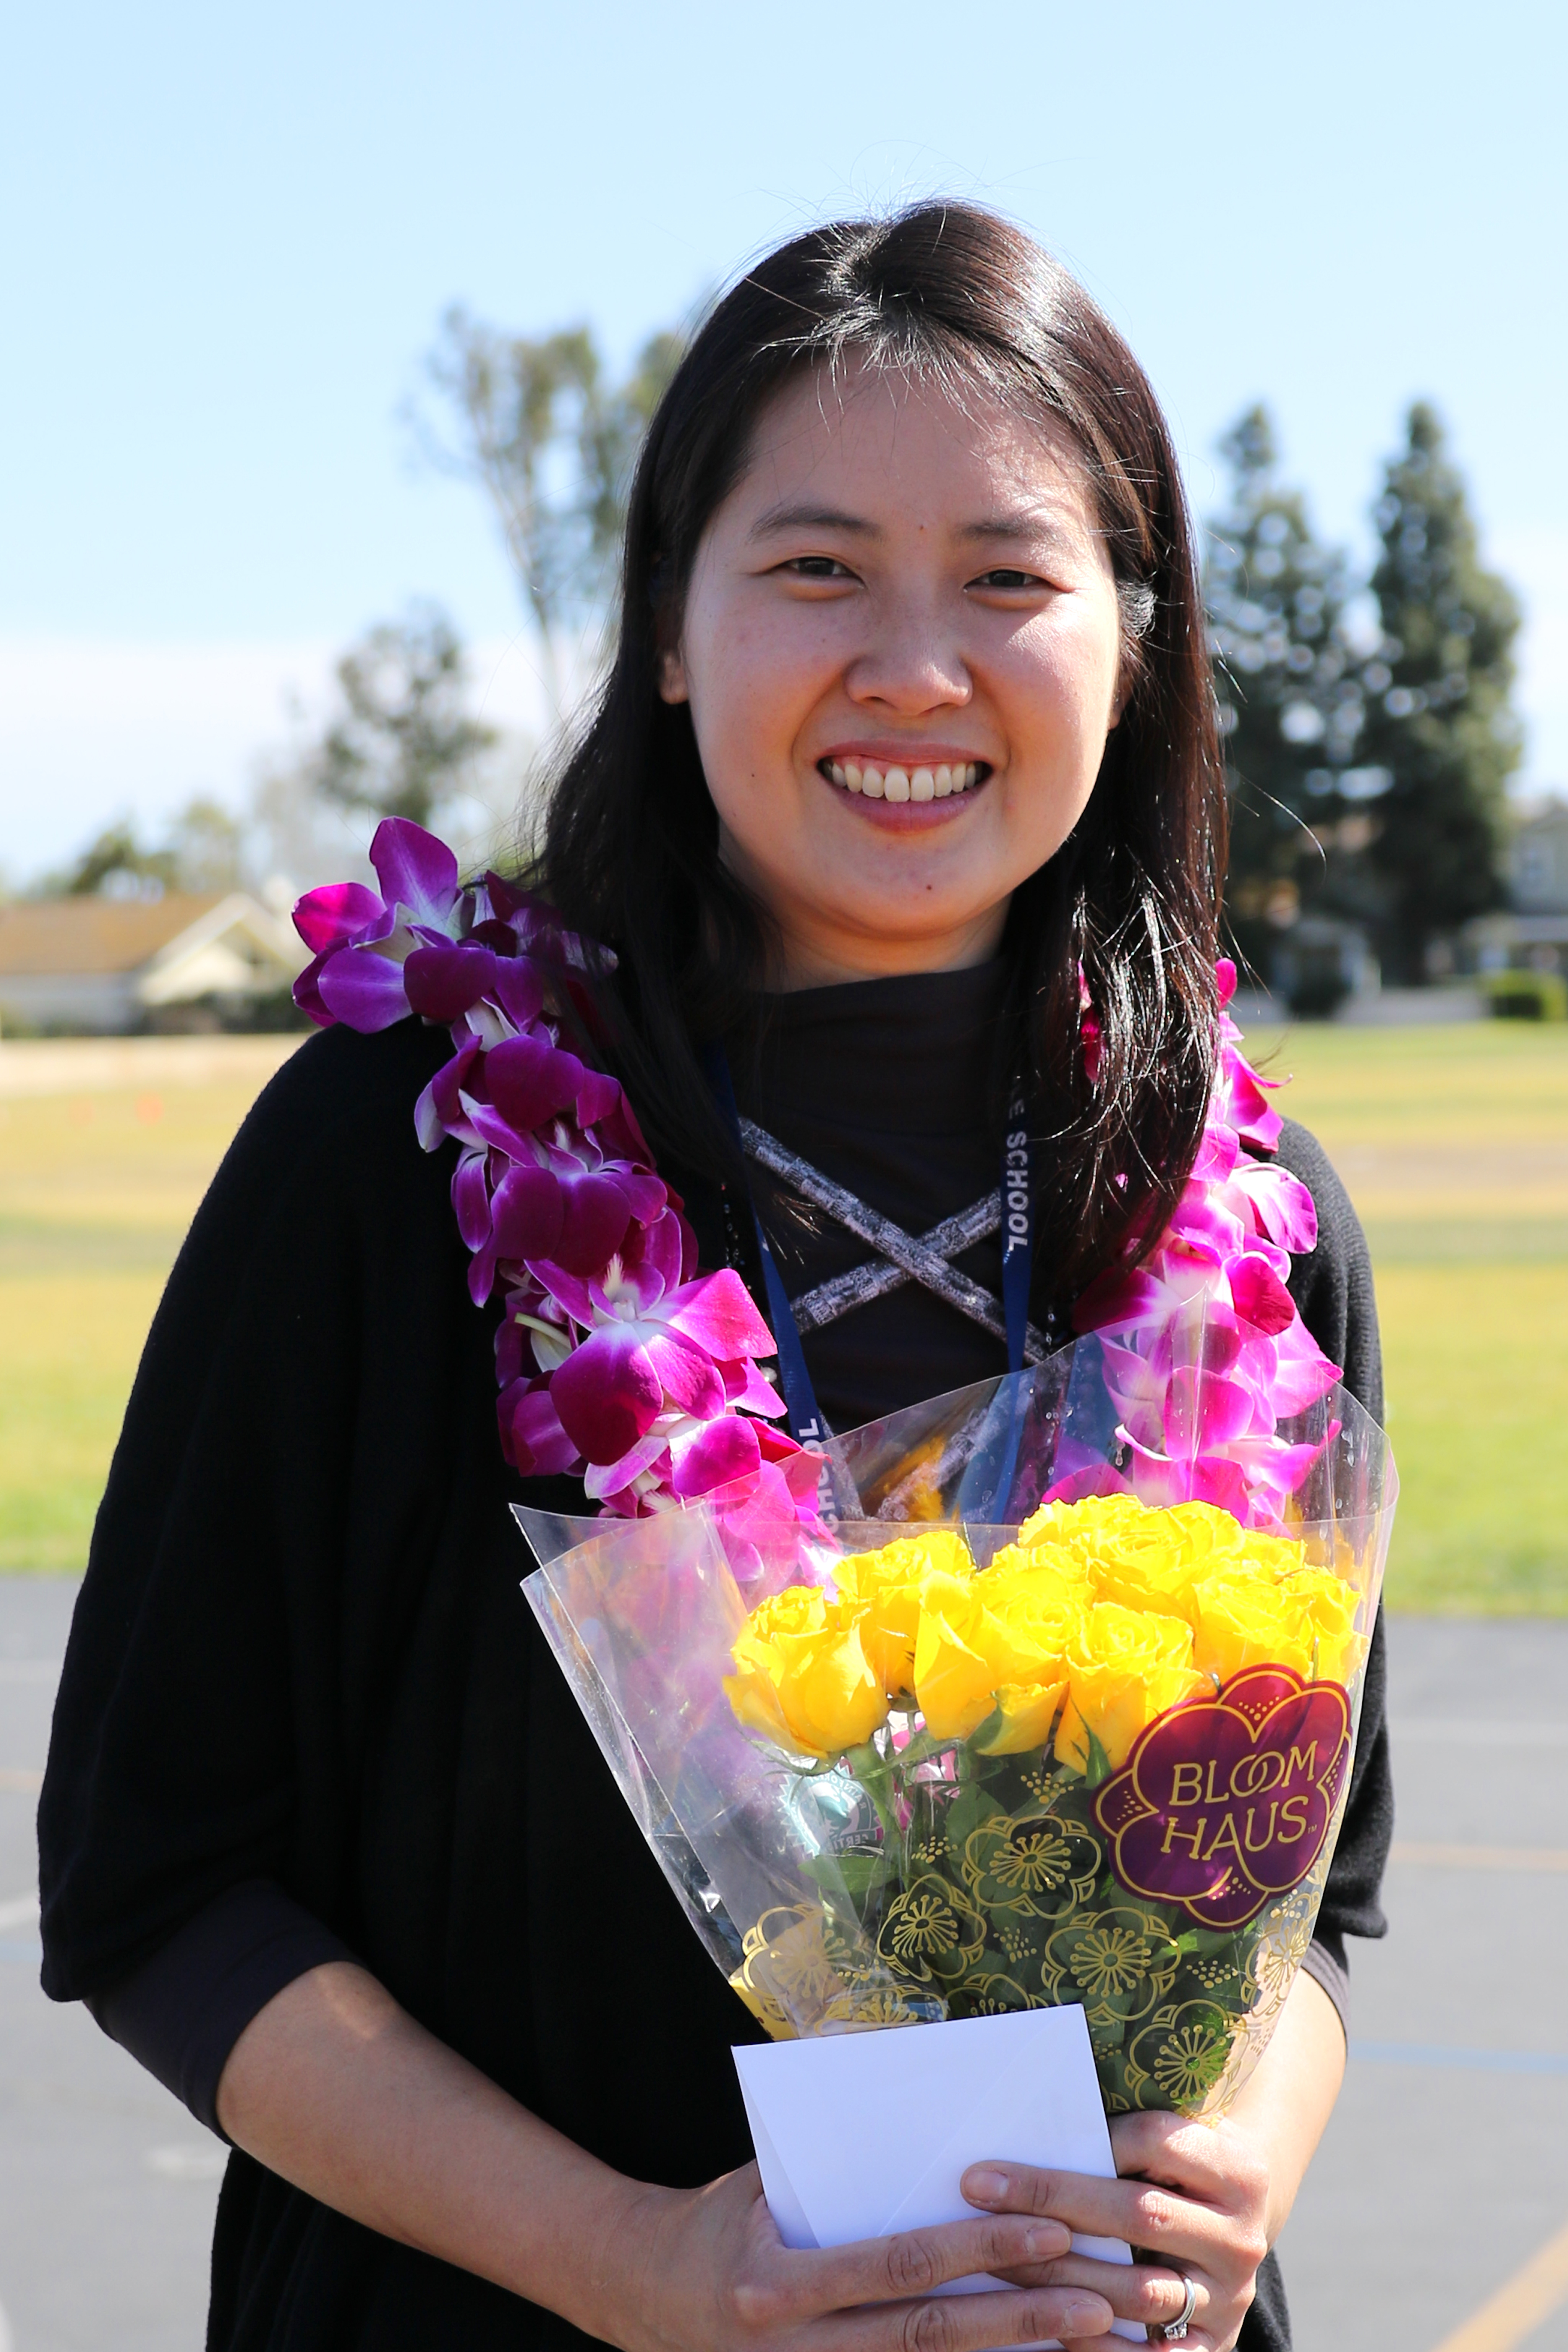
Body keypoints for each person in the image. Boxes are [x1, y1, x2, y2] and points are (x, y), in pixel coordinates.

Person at [39, 203, 1389, 2352]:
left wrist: (1244, 2156)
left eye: (1013, 578)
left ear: (1135, 641)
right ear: (670, 625)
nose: (917, 666)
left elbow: (1327, 1905)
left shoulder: (1246, 1211)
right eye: (817, 568)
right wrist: (646, 2268)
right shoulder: (392, 1156)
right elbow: (160, 1889)